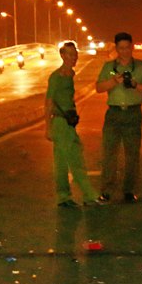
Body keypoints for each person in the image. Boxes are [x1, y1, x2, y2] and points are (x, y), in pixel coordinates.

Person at [95, 32, 142, 203]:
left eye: (127, 47)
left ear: (132, 46)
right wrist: (114, 81)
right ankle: (106, 191)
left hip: (133, 113)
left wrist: (136, 85)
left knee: (132, 154)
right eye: (121, 48)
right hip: (113, 113)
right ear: (116, 48)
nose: (124, 51)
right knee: (109, 153)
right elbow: (99, 87)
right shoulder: (109, 67)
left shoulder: (141, 66)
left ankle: (129, 191)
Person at [44, 41, 99, 208]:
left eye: (75, 54)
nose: (73, 58)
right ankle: (89, 195)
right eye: (69, 54)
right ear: (62, 55)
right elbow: (49, 102)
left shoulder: (70, 75)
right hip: (60, 123)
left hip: (68, 123)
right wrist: (48, 127)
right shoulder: (56, 77)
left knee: (61, 161)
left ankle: (63, 196)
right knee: (75, 158)